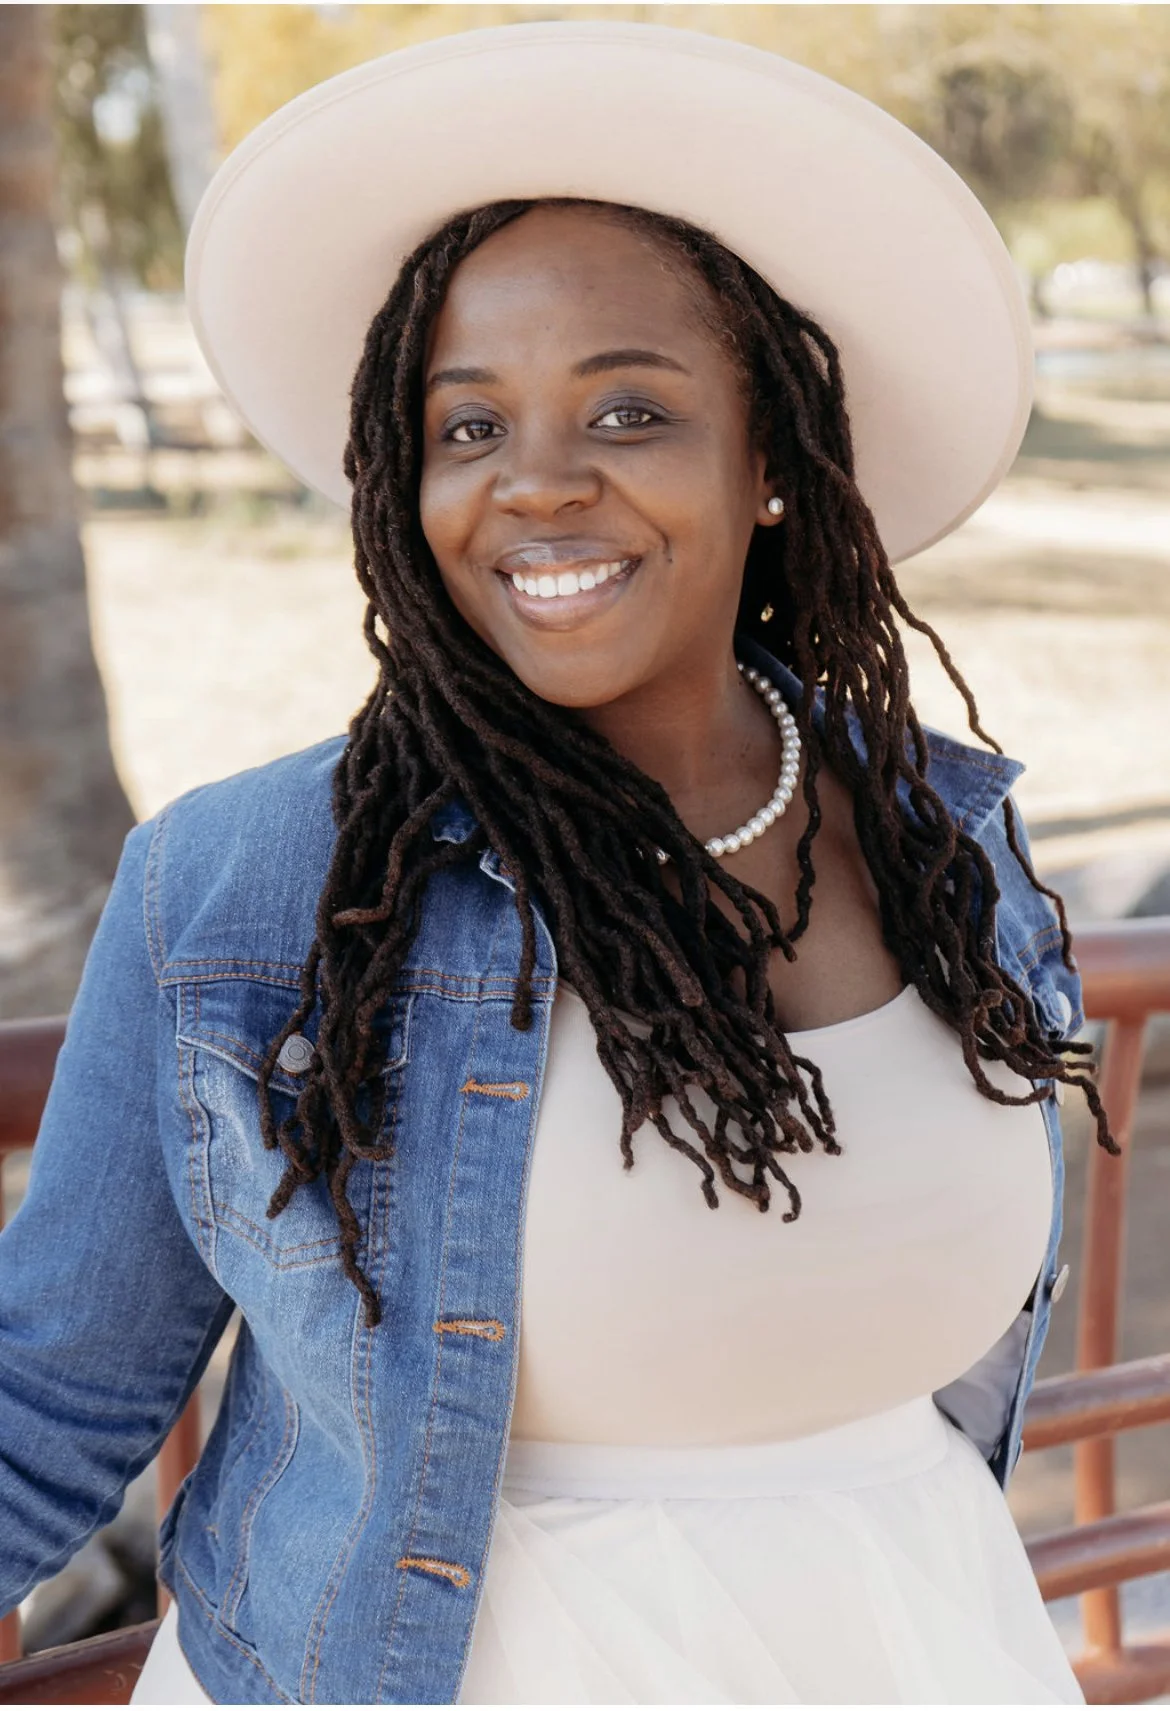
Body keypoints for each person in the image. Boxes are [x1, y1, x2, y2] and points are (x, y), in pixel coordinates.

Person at [0, 22, 1117, 1706]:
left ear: (769, 468)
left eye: (627, 407)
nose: (535, 481)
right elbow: (50, 1390)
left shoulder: (939, 829)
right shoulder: (253, 885)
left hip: (917, 1642)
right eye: (468, 426)